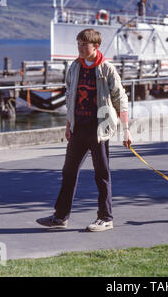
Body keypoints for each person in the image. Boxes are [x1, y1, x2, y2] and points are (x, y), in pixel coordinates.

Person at [36, 28, 132, 232]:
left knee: (101, 174)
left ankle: (105, 218)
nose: (79, 48)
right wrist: (69, 125)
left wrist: (126, 130)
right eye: (78, 44)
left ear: (95, 47)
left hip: (99, 129)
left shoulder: (107, 69)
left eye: (83, 45)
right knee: (68, 172)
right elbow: (70, 96)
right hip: (78, 128)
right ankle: (60, 217)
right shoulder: (75, 66)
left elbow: (121, 100)